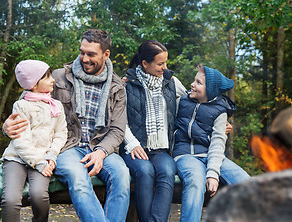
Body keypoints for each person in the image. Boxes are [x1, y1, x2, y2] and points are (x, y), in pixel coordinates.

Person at [2, 29, 130, 222]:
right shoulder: (60, 76)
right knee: (78, 179)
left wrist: (102, 152)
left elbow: (118, 130)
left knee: (122, 176)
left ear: (106, 54)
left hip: (101, 147)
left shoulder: (117, 86)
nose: (84, 58)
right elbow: (27, 102)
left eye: (91, 54)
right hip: (67, 147)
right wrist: (6, 126)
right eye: (82, 52)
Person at [173, 64, 250, 222]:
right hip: (185, 154)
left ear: (211, 91)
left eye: (199, 83)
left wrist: (213, 174)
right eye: (194, 80)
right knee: (195, 181)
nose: (192, 84)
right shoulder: (183, 99)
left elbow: (217, 144)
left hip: (210, 155)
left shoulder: (220, 111)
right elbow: (169, 79)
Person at [120, 40, 187, 222]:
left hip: (161, 149)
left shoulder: (171, 82)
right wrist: (132, 144)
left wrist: (219, 120)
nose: (165, 68)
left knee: (167, 171)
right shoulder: (126, 84)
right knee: (145, 171)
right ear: (145, 64)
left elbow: (193, 103)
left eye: (166, 63)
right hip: (134, 146)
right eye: (160, 64)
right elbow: (118, 120)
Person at [1, 60, 67, 222]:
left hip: (45, 159)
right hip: (17, 159)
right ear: (34, 84)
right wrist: (38, 162)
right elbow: (21, 140)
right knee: (10, 200)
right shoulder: (21, 106)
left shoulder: (56, 105)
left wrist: (51, 155)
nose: (53, 80)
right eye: (47, 77)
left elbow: (61, 133)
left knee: (39, 196)